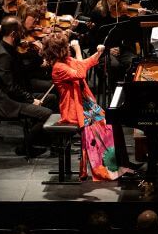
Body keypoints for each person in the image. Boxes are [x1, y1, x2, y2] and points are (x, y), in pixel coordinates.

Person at [42, 31, 131, 180]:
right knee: (104, 125)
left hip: (85, 105)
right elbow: (80, 73)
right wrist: (78, 50)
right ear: (60, 49)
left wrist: (98, 53)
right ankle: (108, 168)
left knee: (112, 121)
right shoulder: (58, 67)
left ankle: (121, 163)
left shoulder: (67, 61)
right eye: (66, 46)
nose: (69, 47)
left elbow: (84, 63)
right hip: (73, 110)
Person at [0, 16, 51, 156]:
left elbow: (23, 70)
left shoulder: (10, 49)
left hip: (14, 95)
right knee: (47, 114)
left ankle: (43, 139)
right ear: (13, 34)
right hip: (6, 102)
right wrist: (31, 100)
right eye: (20, 32)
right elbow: (10, 87)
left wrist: (37, 53)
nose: (23, 35)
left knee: (52, 98)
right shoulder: (2, 55)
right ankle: (26, 146)